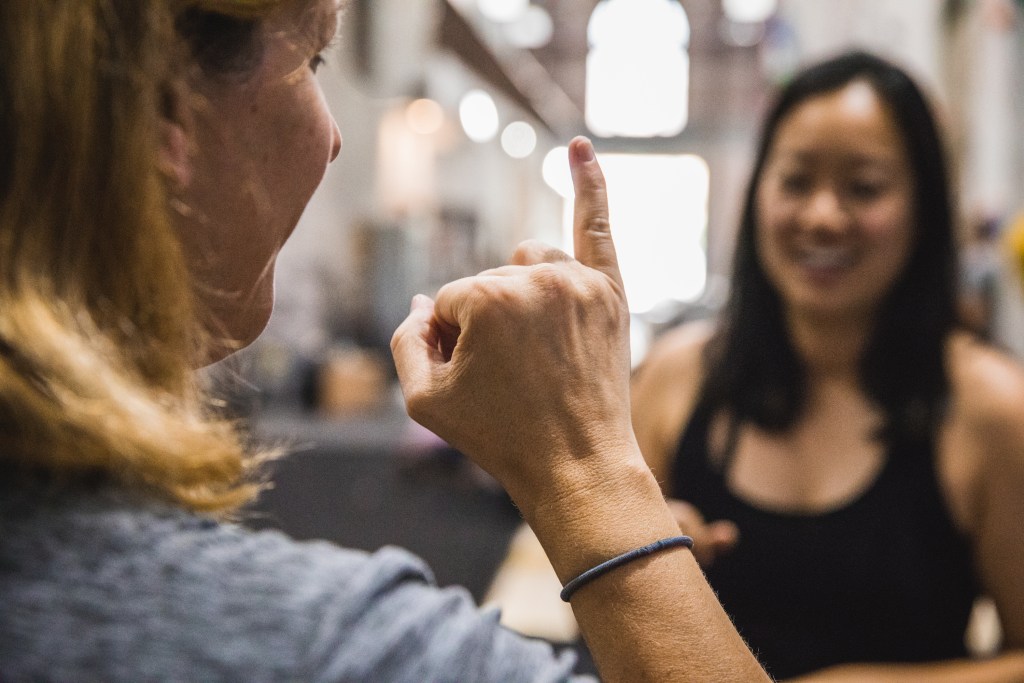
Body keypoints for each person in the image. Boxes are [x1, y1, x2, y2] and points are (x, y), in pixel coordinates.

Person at [0, 1, 771, 681]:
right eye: (312, 58)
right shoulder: (325, 646)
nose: (335, 137)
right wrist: (591, 468)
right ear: (164, 101)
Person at [631, 51, 1024, 681]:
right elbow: (597, 628)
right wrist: (636, 572)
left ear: (924, 209)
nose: (822, 216)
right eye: (795, 180)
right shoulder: (677, 377)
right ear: (758, 191)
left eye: (864, 188)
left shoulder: (990, 408)